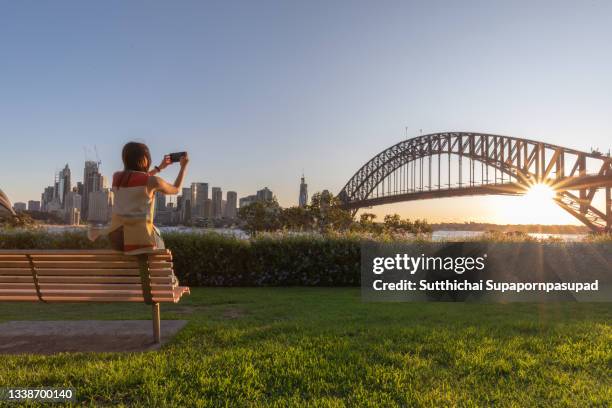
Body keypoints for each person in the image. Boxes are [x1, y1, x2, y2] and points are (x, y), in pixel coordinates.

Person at [89, 142, 189, 254]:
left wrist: (159, 168)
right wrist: (183, 167)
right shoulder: (153, 181)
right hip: (140, 241)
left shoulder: (117, 178)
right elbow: (175, 189)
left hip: (116, 240)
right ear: (145, 159)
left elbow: (138, 179)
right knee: (159, 241)